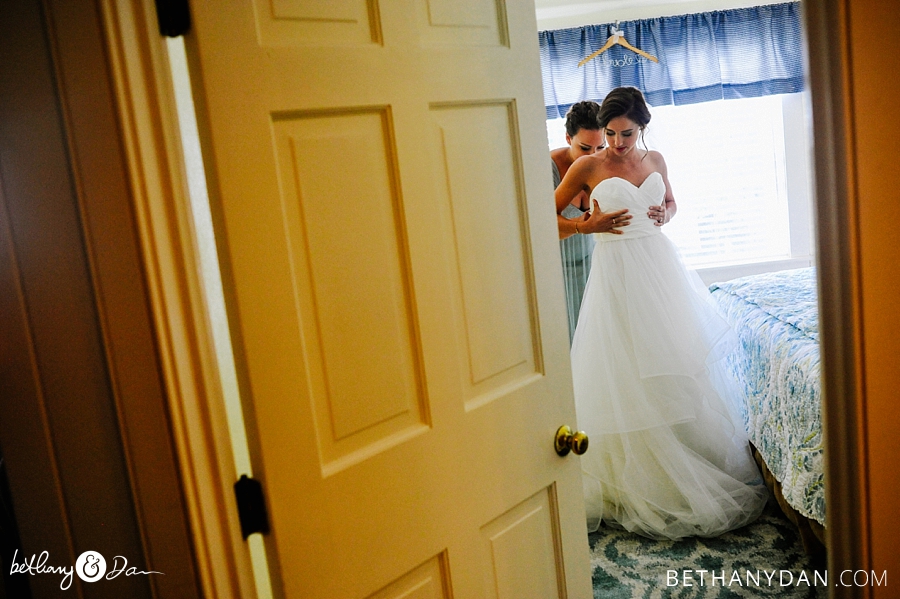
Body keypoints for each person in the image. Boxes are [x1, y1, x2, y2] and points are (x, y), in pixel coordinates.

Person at [555, 87, 767, 540]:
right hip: (615, 273)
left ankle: (687, 462)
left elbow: (671, 203)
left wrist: (665, 213)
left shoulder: (656, 160)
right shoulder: (586, 166)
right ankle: (631, 478)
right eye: (610, 134)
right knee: (627, 366)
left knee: (672, 359)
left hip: (659, 268)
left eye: (626, 134)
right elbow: (541, 218)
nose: (617, 143)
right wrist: (583, 225)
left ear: (642, 127)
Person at [552, 101, 630, 343]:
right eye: (584, 148)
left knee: (607, 338)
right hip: (558, 270)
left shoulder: (609, 163)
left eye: (599, 146)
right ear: (568, 137)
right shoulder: (546, 168)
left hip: (598, 262)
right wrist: (580, 226)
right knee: (569, 340)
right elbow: (538, 227)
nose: (593, 156)